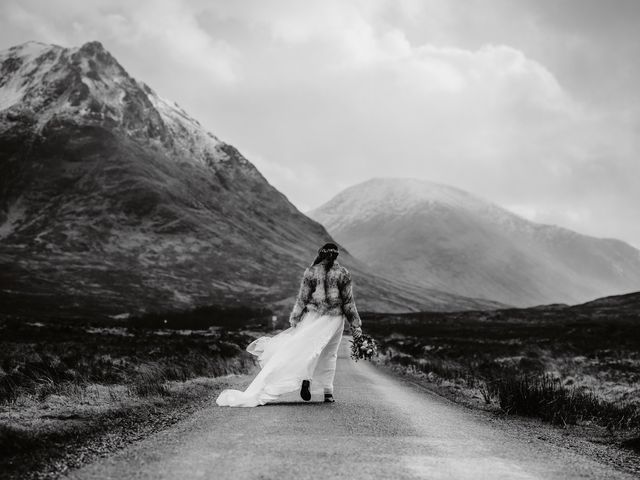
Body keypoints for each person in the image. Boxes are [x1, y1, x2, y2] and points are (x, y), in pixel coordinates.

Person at [216, 243, 363, 407]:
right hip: (335, 318)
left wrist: (296, 318)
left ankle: (306, 379)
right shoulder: (343, 273)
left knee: (308, 349)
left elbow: (302, 299)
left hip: (313, 316)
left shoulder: (311, 272)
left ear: (321, 254)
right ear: (336, 256)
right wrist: (356, 325)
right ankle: (328, 392)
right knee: (329, 354)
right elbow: (349, 302)